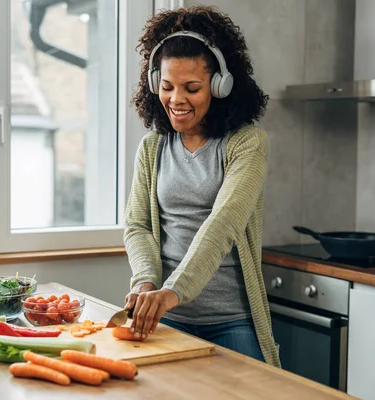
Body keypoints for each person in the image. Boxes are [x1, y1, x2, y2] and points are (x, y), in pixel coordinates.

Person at [122, 5, 280, 367]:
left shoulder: (247, 144)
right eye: (167, 87)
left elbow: (223, 223)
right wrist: (146, 283)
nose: (176, 99)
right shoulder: (152, 146)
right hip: (166, 318)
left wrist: (174, 290)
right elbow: (139, 226)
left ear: (220, 86)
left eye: (191, 88)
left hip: (230, 320)